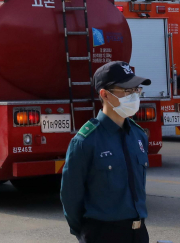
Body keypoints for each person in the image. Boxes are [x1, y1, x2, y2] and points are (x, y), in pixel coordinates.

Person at [60, 61, 151, 242]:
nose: (133, 96)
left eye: (136, 90)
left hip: (139, 233)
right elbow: (70, 196)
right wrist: (86, 232)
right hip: (102, 233)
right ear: (105, 95)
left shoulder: (138, 136)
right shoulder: (86, 141)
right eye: (127, 90)